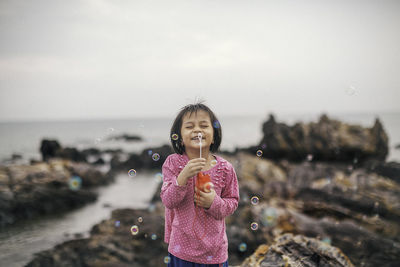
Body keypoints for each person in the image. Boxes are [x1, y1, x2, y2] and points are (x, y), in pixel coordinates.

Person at [160, 102, 239, 267]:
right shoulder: (173, 164)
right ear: (179, 138)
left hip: (214, 252)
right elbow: (168, 200)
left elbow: (232, 202)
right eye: (189, 126)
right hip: (181, 250)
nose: (197, 130)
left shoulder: (225, 168)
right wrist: (182, 177)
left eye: (204, 125)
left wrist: (213, 202)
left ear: (214, 136)